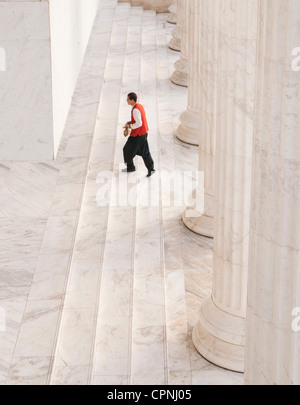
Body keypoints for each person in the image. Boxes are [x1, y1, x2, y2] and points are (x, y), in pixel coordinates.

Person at [123, 92, 155, 177]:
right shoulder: (138, 106)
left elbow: (139, 123)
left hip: (138, 135)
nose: (127, 100)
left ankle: (132, 167)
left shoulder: (135, 110)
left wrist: (130, 126)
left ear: (132, 100)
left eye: (128, 99)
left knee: (127, 149)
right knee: (144, 152)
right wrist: (130, 122)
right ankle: (149, 169)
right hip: (142, 133)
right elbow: (138, 120)